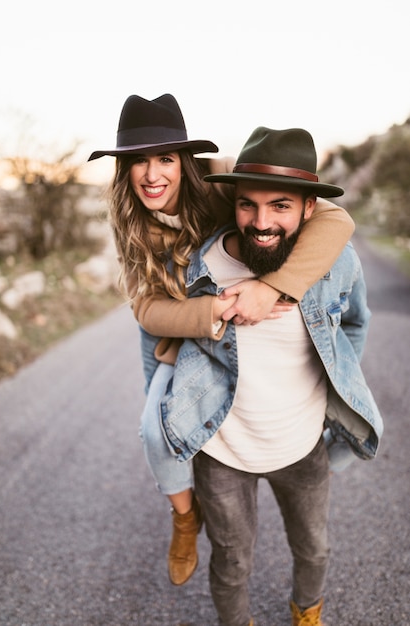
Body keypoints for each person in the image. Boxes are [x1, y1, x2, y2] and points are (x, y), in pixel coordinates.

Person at [88, 95, 355, 589]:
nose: (152, 173)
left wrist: (273, 285)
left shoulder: (221, 186)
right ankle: (186, 519)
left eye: (165, 158)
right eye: (137, 160)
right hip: (175, 332)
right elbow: (146, 311)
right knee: (155, 431)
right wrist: (214, 311)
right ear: (123, 169)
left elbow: (336, 220)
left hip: (222, 319)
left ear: (185, 161)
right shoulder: (128, 220)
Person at [146, 127, 384, 626]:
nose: (261, 222)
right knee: (232, 563)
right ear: (232, 203)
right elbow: (154, 333)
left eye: (280, 206)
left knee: (314, 549)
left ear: (308, 210)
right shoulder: (196, 267)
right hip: (223, 453)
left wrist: (335, 384)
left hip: (302, 446)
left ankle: (307, 612)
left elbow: (356, 322)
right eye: (248, 205)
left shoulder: (335, 262)